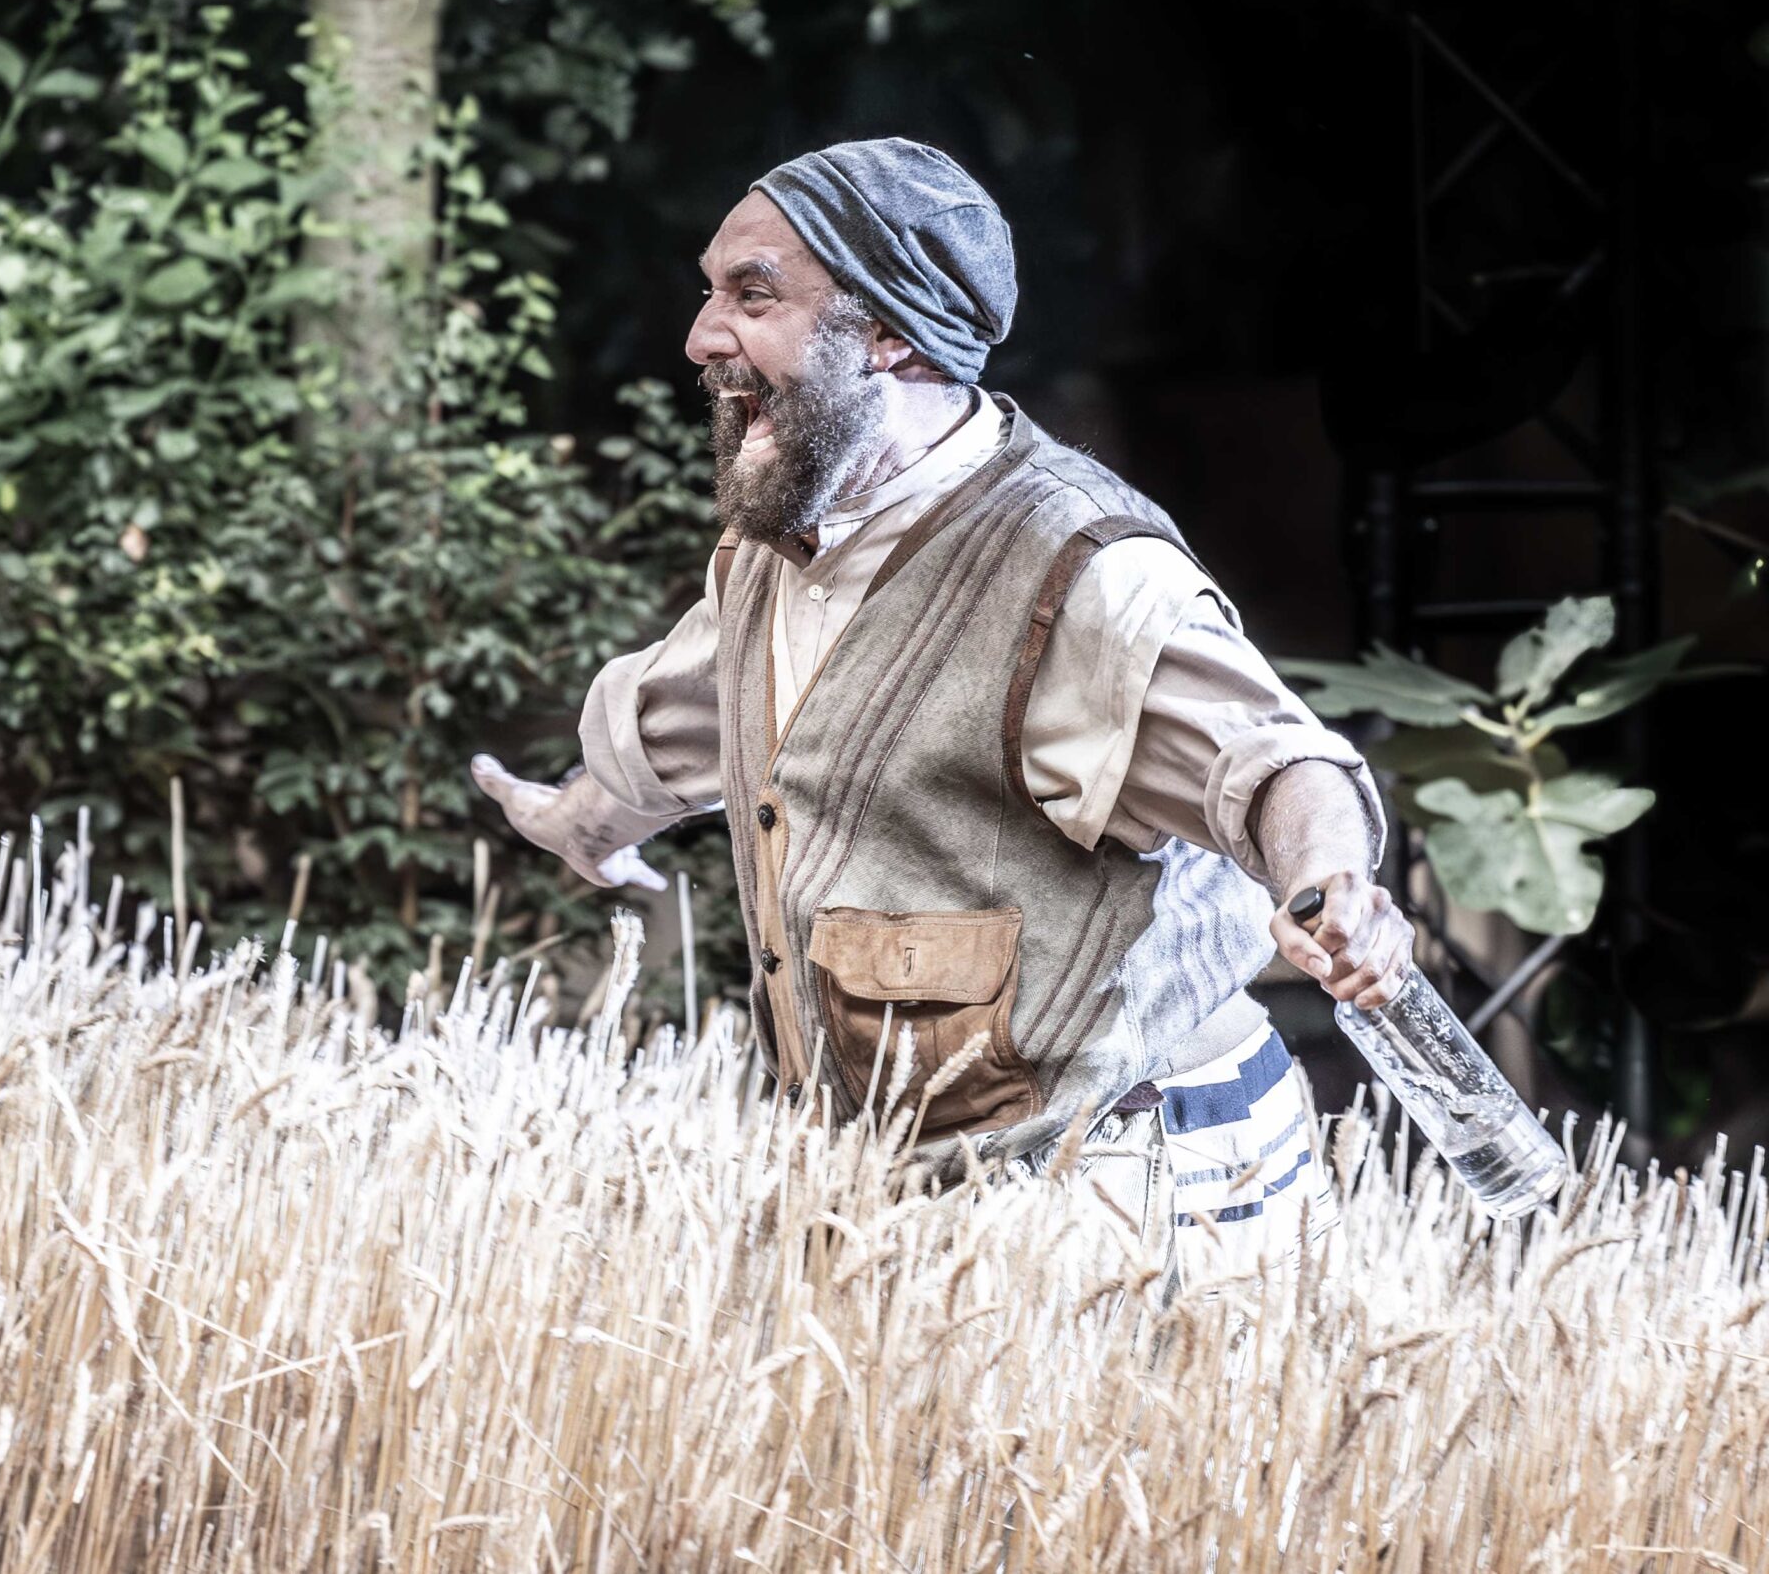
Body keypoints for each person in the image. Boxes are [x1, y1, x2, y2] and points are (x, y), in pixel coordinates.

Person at [472, 138, 1413, 1282]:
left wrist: (1333, 890)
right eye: (709, 291)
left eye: (752, 294)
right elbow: (700, 724)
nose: (701, 335)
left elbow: (1275, 764)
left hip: (1129, 1186)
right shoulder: (786, 543)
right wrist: (582, 823)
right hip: (910, 1192)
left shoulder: (1074, 569)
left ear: (889, 332)